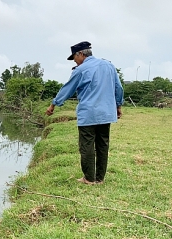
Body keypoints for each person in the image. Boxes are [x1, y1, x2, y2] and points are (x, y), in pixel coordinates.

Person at [45, 41, 124, 185]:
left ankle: (89, 178)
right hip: (106, 113)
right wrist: (118, 106)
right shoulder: (109, 66)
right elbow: (118, 88)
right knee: (102, 145)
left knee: (87, 145)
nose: (75, 61)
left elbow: (67, 89)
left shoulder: (80, 70)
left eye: (74, 58)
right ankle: (100, 178)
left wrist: (53, 105)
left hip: (89, 114)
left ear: (80, 54)